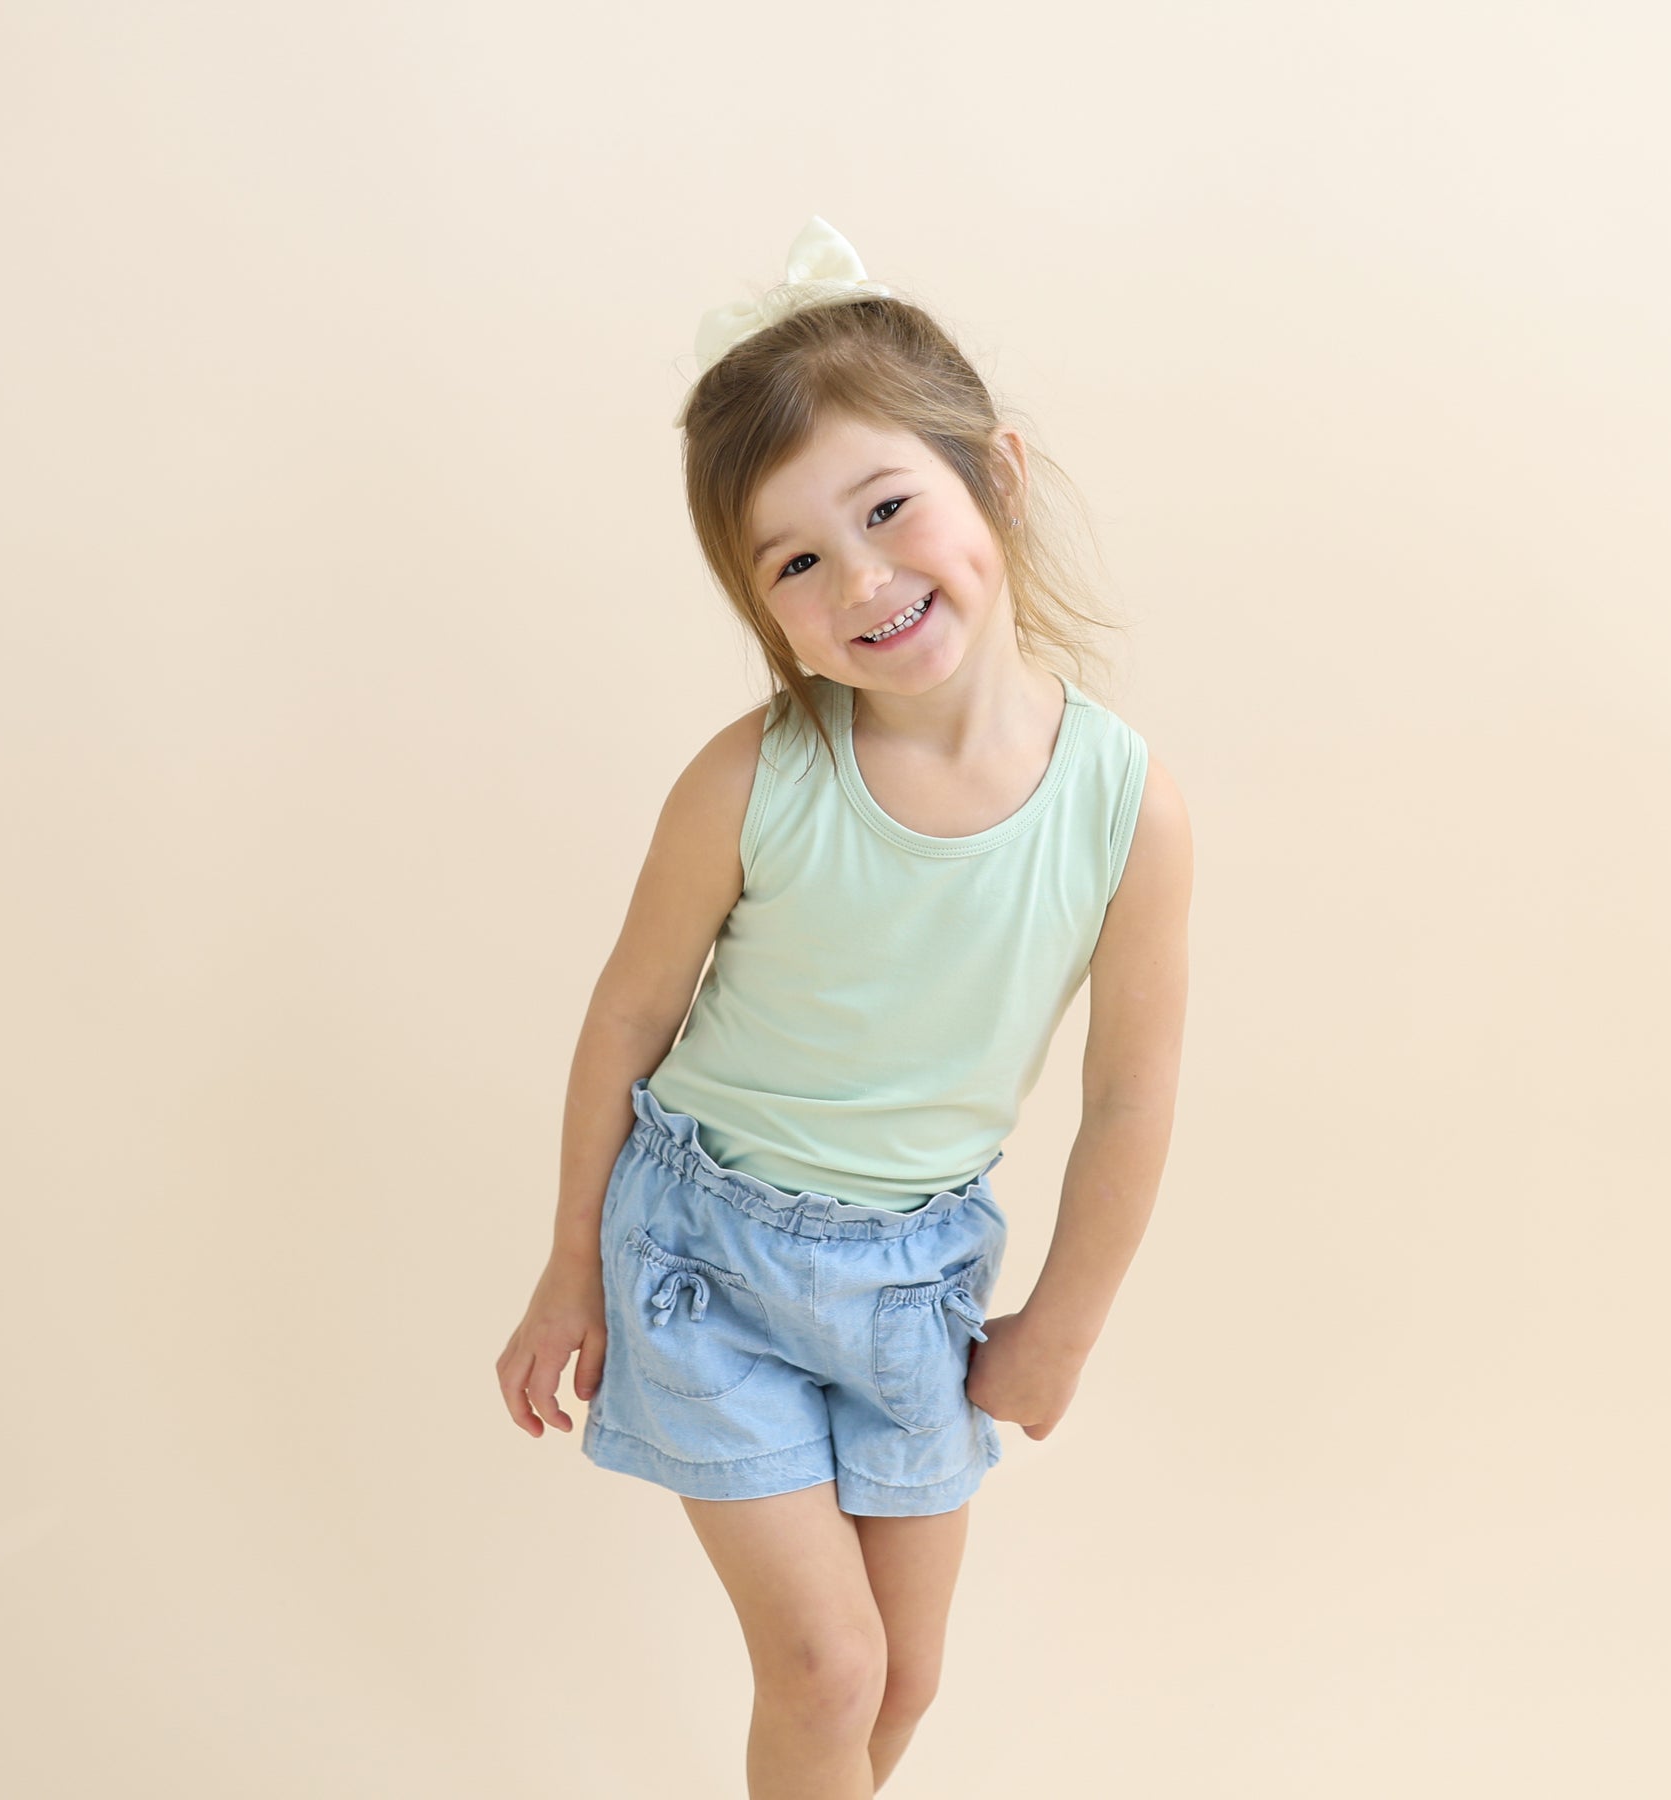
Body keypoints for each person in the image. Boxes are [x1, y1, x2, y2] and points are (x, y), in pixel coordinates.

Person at [496, 216, 1193, 1798]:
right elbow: (626, 1020)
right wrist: (565, 1273)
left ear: (995, 478)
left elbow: (1131, 1096)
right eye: (798, 561)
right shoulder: (755, 780)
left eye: (890, 510)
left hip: (914, 1283)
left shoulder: (1124, 807)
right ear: (765, 609)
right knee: (828, 1669)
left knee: (904, 1680)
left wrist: (1060, 1334)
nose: (863, 579)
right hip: (703, 1251)